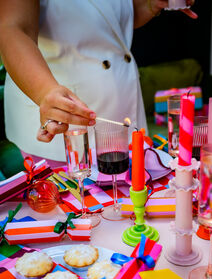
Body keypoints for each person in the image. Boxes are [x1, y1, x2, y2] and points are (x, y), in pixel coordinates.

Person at [0, 0, 196, 164]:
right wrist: (44, 91)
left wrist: (150, 5)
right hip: (65, 124)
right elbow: (13, 28)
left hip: (124, 115)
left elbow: (108, 21)